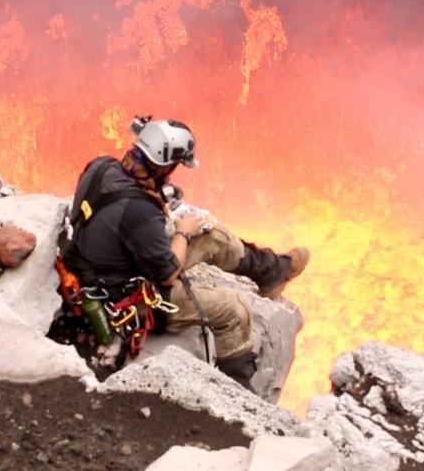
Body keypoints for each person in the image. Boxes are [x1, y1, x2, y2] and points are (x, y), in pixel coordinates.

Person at [62, 116, 309, 389]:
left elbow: (125, 220)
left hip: (103, 267)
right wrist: (183, 232)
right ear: (164, 164)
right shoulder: (139, 213)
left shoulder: (102, 166)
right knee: (234, 309)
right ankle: (238, 391)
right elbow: (167, 274)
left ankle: (273, 271)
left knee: (212, 237)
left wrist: (164, 202)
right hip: (127, 300)